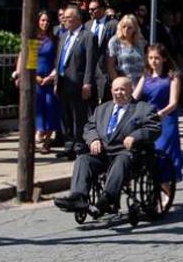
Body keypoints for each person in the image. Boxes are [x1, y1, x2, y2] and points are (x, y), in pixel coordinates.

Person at [52, 76, 160, 215]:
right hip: (103, 153)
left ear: (131, 90)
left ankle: (108, 198)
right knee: (83, 159)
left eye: (123, 89)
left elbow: (154, 127)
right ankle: (78, 197)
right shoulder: (101, 109)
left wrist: (136, 136)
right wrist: (94, 139)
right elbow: (90, 127)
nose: (119, 93)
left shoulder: (143, 109)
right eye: (116, 89)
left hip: (127, 154)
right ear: (111, 91)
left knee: (122, 159)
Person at [136, 44, 183, 209]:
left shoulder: (172, 76)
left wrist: (161, 113)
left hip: (166, 119)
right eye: (150, 58)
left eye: (156, 58)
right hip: (148, 119)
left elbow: (173, 102)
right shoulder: (145, 76)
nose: (153, 61)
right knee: (149, 156)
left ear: (163, 58)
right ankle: (155, 191)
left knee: (162, 153)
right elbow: (135, 96)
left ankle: (166, 193)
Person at [50, 6, 96, 159]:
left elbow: (90, 62)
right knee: (65, 116)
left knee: (78, 116)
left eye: (68, 18)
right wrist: (56, 81)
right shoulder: (63, 37)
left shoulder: (87, 36)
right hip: (63, 82)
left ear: (77, 19)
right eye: (64, 17)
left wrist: (87, 83)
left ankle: (79, 145)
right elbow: (59, 60)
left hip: (78, 83)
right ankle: (68, 145)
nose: (64, 20)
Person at [23, 11, 60, 152]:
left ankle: (47, 142)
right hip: (37, 79)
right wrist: (35, 77)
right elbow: (30, 61)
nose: (45, 23)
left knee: (50, 108)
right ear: (38, 21)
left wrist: (51, 76)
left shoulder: (54, 39)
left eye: (47, 21)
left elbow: (58, 60)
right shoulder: (34, 39)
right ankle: (38, 134)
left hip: (50, 78)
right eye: (42, 20)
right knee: (38, 108)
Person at [86, 0, 118, 103]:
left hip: (106, 69)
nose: (90, 12)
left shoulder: (113, 24)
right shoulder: (87, 25)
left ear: (103, 9)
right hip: (90, 70)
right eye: (89, 9)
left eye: (93, 9)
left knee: (104, 99)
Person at [107, 14, 149, 84]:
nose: (126, 30)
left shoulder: (141, 42)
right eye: (124, 26)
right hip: (124, 82)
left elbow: (146, 64)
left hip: (141, 82)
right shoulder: (114, 41)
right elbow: (111, 66)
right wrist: (117, 83)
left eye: (129, 28)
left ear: (135, 28)